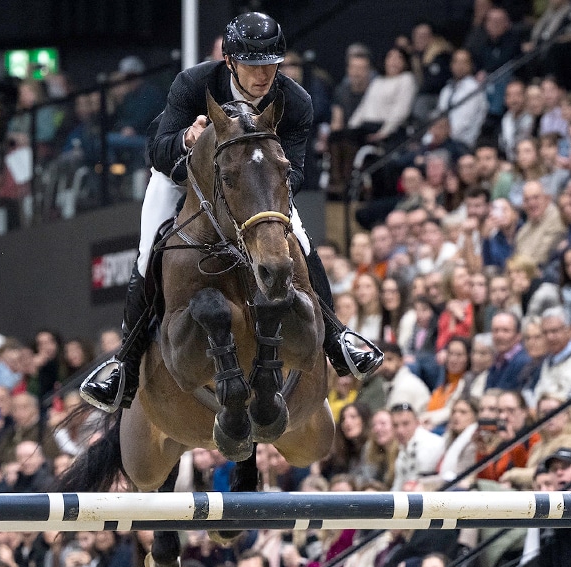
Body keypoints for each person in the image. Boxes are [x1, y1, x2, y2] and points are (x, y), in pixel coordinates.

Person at [80, 12, 381, 412]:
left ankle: (337, 340)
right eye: (254, 64)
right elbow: (157, 149)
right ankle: (126, 364)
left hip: (256, 189)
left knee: (302, 243)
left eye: (271, 64)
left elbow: (295, 172)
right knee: (148, 250)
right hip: (181, 178)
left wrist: (265, 200)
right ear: (230, 61)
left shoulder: (296, 101)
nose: (264, 74)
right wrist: (187, 139)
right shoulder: (193, 84)